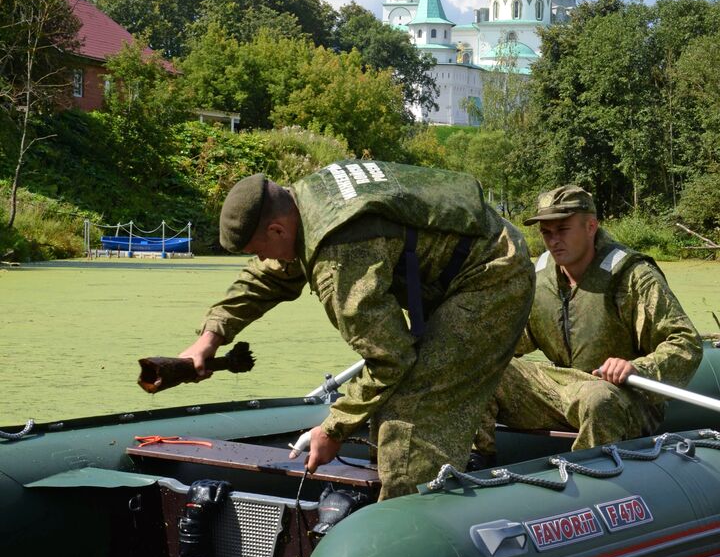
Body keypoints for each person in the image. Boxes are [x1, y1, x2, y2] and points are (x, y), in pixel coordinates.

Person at [180, 160, 535, 500]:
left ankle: (406, 525)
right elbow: (270, 277)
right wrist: (209, 338)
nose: (261, 260)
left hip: (493, 274)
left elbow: (390, 359)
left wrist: (334, 427)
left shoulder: (340, 256)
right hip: (461, 262)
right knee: (394, 397)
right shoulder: (305, 198)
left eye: (258, 251)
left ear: (276, 230)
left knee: (414, 406)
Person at [472, 184, 703, 457]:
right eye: (546, 232)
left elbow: (685, 343)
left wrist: (637, 368)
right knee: (480, 367)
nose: (553, 240)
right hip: (562, 388)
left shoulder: (633, 277)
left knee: (597, 400)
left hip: (622, 395)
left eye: (563, 230)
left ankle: (590, 480)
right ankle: (475, 463)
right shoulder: (541, 275)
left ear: (591, 226)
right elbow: (514, 338)